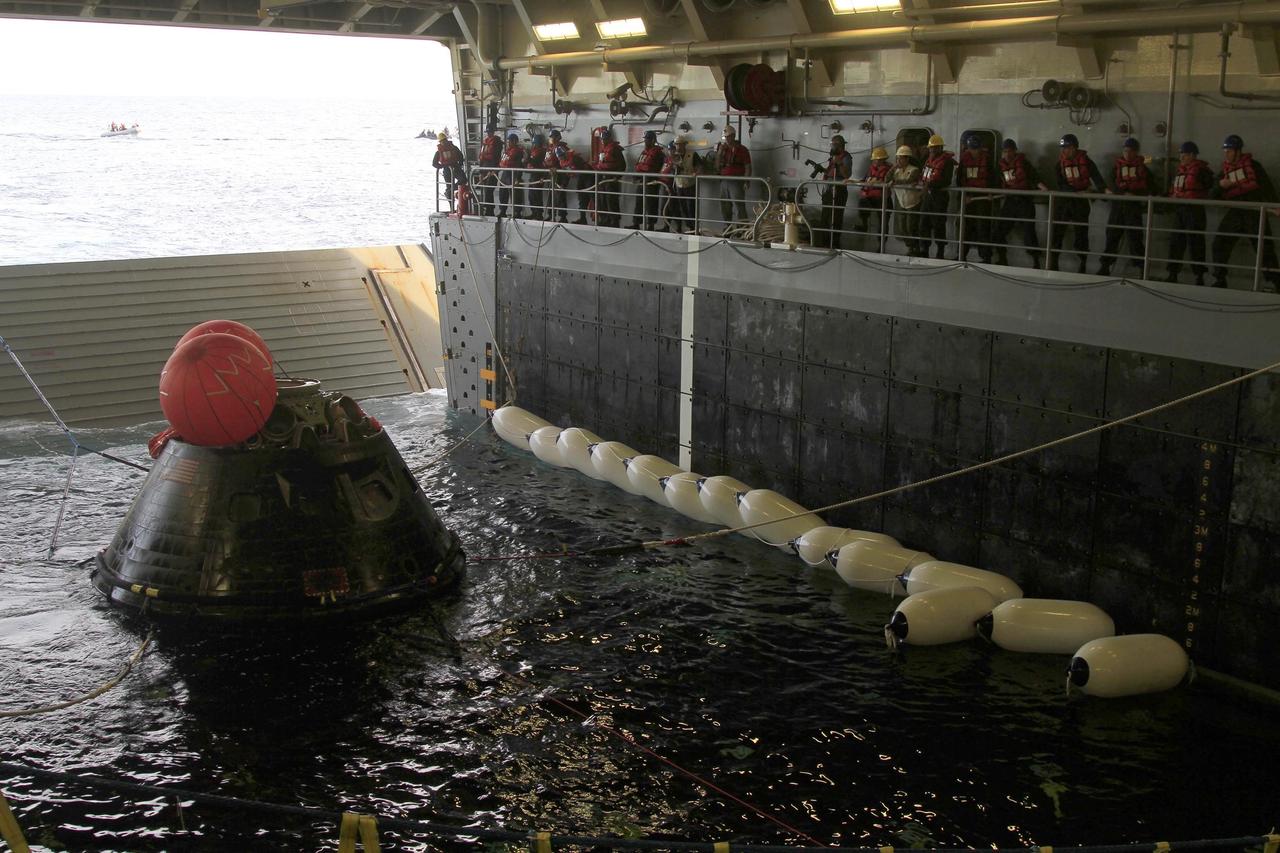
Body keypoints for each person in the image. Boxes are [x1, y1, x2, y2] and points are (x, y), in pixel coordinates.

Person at [1211, 133, 1280, 289]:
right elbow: (1212, 194)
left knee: (1264, 248)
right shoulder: (1224, 172)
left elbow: (1267, 188)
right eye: (1225, 151)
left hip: (1255, 213)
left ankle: (1276, 282)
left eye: (1229, 151)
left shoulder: (1254, 167)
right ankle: (1220, 279)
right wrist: (1220, 186)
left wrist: (1275, 207)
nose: (1226, 154)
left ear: (1238, 151)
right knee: (1219, 244)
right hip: (1236, 212)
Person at [1097, 138, 1153, 276]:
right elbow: (1111, 183)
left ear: (1136, 152)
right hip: (1118, 206)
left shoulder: (1143, 169)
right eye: (1125, 150)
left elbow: (1150, 186)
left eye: (1131, 151)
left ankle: (1142, 269)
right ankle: (1105, 266)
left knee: (1135, 239)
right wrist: (1123, 192)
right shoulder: (1117, 168)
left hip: (1133, 208)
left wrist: (1140, 195)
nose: (1127, 153)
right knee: (1112, 237)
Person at [1050, 133, 1106, 272]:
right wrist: (1076, 191)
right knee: (1057, 232)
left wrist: (1105, 191)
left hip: (1080, 203)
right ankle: (1053, 263)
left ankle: (1083, 264)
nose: (1064, 151)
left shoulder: (1086, 161)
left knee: (1081, 233)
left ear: (1074, 148)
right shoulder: (1059, 165)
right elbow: (1061, 184)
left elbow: (1097, 177)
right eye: (1063, 148)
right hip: (1064, 202)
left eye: (1067, 148)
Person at [1164, 141, 1214, 286]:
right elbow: (1173, 190)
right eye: (1181, 155)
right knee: (1176, 242)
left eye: (1184, 155)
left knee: (1196, 244)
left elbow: (1209, 185)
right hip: (1181, 210)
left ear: (1192, 155)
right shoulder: (1181, 171)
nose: (1181, 158)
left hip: (1195, 210)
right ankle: (1172, 273)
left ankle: (1199, 276)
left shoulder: (1203, 171)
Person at [992, 139, 1048, 267]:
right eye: (1005, 151)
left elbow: (1034, 177)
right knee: (999, 231)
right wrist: (991, 194)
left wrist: (1043, 188)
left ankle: (1036, 263)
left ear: (1015, 151)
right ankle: (1002, 259)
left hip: (1024, 201)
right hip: (1010, 201)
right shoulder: (1000, 167)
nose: (1007, 154)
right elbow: (996, 183)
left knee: (1029, 233)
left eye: (1010, 151)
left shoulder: (1024, 163)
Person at [955, 134, 1000, 263]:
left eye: (976, 148)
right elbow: (959, 180)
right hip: (968, 198)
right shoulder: (964, 161)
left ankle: (986, 256)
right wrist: (964, 196)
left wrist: (991, 193)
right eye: (972, 149)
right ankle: (961, 255)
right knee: (965, 227)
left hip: (983, 198)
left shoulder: (988, 160)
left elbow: (993, 178)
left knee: (983, 227)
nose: (974, 151)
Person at [918, 134, 955, 259]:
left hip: (939, 197)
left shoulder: (947, 162)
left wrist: (929, 185)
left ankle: (940, 250)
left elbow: (946, 181)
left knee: (938, 223)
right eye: (931, 148)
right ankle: (924, 249)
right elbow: (923, 175)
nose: (932, 150)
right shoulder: (928, 160)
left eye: (935, 148)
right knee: (924, 222)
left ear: (940, 148)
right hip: (928, 196)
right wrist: (922, 184)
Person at [814, 135, 854, 249]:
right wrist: (823, 171)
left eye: (835, 145)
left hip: (839, 190)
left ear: (841, 146)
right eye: (832, 145)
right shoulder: (832, 158)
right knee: (825, 216)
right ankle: (825, 242)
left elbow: (847, 175)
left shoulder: (846, 158)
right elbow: (830, 171)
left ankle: (835, 243)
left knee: (836, 217)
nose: (833, 147)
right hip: (828, 190)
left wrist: (839, 163)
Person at [887, 145, 924, 257]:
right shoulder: (896, 171)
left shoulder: (914, 170)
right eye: (898, 158)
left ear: (907, 158)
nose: (898, 160)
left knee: (911, 226)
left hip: (913, 202)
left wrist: (895, 182)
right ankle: (910, 246)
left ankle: (915, 248)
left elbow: (909, 180)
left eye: (901, 158)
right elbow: (886, 178)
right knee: (902, 227)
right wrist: (893, 168)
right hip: (902, 202)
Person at [715, 126, 753, 229]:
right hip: (724, 180)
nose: (726, 139)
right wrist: (719, 153)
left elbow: (748, 166)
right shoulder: (722, 149)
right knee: (725, 205)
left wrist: (746, 181)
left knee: (739, 205)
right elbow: (717, 166)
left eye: (728, 137)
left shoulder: (742, 150)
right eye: (725, 137)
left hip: (737, 180)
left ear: (733, 136)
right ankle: (727, 226)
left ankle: (742, 227)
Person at [850, 147, 891, 237]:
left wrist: (878, 182)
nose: (874, 162)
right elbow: (864, 180)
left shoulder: (889, 170)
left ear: (882, 160)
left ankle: (881, 244)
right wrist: (852, 181)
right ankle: (864, 225)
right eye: (874, 160)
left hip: (883, 200)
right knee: (863, 202)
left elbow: (890, 181)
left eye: (876, 160)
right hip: (871, 197)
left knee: (883, 223)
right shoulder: (871, 169)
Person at [630, 130, 666, 230]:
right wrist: (636, 176)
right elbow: (637, 165)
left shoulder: (658, 154)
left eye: (648, 139)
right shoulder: (644, 152)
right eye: (645, 139)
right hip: (642, 181)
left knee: (651, 204)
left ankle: (651, 225)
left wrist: (643, 171)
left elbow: (655, 168)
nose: (646, 141)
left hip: (651, 182)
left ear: (653, 140)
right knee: (639, 203)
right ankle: (636, 223)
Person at [592, 126, 626, 227]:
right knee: (602, 199)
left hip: (611, 178)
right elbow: (600, 164)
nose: (603, 141)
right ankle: (605, 219)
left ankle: (614, 220)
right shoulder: (603, 150)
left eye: (604, 139)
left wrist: (618, 176)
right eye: (602, 139)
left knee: (611, 200)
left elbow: (622, 165)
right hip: (603, 178)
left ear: (609, 139)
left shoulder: (615, 149)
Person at [556, 142, 590, 225]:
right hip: (581, 178)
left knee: (594, 196)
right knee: (581, 197)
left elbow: (585, 168)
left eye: (561, 156)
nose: (560, 158)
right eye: (559, 157)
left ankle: (602, 219)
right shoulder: (563, 162)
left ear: (565, 154)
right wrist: (564, 184)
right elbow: (566, 173)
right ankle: (583, 218)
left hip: (589, 176)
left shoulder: (575, 159)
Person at [431, 131, 465, 212]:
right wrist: (442, 166)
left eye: (444, 140)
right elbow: (434, 163)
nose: (444, 142)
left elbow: (460, 156)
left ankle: (450, 191)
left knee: (463, 180)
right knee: (451, 187)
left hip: (454, 167)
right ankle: (452, 208)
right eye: (442, 141)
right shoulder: (439, 152)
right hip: (447, 170)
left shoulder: (453, 148)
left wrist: (459, 164)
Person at [497, 132, 526, 218]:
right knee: (503, 193)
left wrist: (518, 177)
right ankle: (503, 211)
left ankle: (517, 212)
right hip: (505, 173)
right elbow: (502, 162)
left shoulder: (518, 152)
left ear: (515, 141)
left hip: (513, 174)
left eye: (510, 141)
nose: (508, 142)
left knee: (515, 194)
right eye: (508, 141)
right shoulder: (507, 151)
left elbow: (519, 165)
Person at [475, 123, 502, 217]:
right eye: (488, 132)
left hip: (492, 170)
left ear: (493, 132)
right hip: (485, 169)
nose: (489, 133)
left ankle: (490, 210)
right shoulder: (485, 142)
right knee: (487, 190)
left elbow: (496, 157)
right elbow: (482, 158)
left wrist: (493, 169)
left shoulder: (497, 142)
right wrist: (481, 172)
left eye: (490, 132)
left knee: (489, 190)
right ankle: (488, 210)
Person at [525, 133, 548, 220]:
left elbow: (536, 162)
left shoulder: (542, 152)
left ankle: (539, 214)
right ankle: (534, 212)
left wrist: (527, 158)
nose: (534, 145)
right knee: (531, 195)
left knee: (537, 195)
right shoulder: (534, 151)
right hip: (533, 174)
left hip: (538, 175)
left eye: (535, 143)